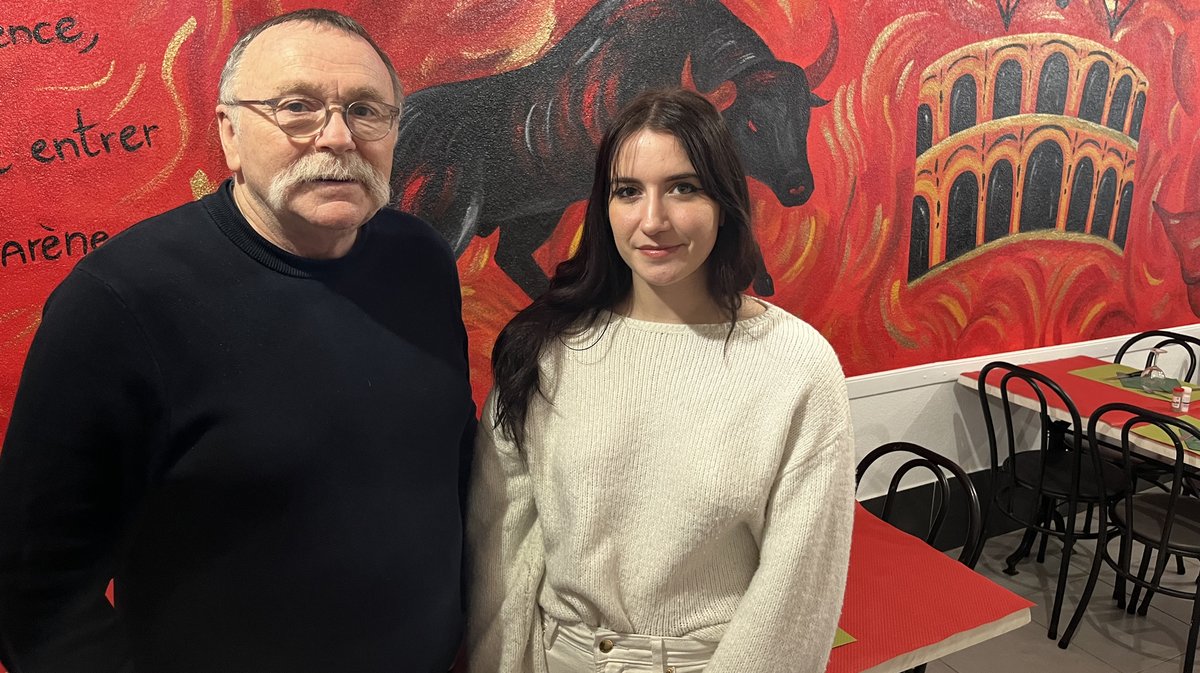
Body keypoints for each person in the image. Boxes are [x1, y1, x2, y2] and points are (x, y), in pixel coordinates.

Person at [0, 9, 474, 673]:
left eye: (367, 110)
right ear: (229, 132)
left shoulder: (421, 259)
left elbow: (446, 466)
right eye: (296, 107)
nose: (338, 136)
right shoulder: (120, 302)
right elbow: (35, 595)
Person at [466, 88, 854, 673]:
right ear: (604, 206)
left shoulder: (796, 365)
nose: (653, 220)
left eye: (683, 187)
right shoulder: (543, 349)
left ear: (724, 201)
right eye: (628, 191)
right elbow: (502, 550)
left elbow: (799, 589)